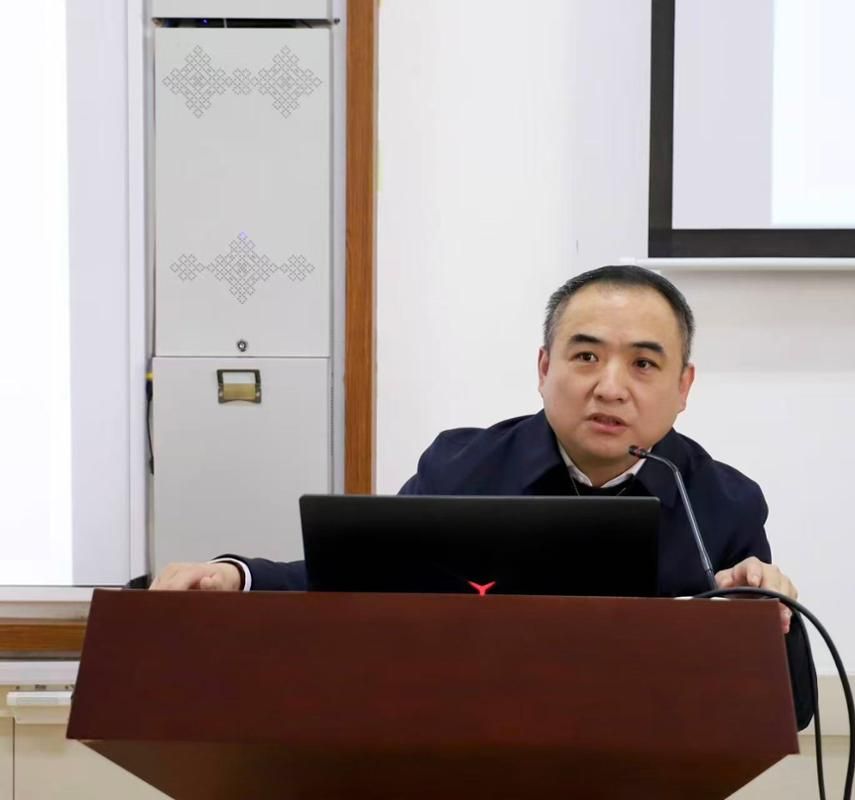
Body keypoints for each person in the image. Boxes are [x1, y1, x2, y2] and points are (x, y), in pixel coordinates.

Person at [151, 265, 813, 726]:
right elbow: (358, 584)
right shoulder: (462, 467)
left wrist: (764, 610)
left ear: (683, 386)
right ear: (544, 367)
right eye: (586, 357)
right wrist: (238, 577)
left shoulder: (721, 501)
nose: (611, 387)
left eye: (643, 363)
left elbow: (794, 706)